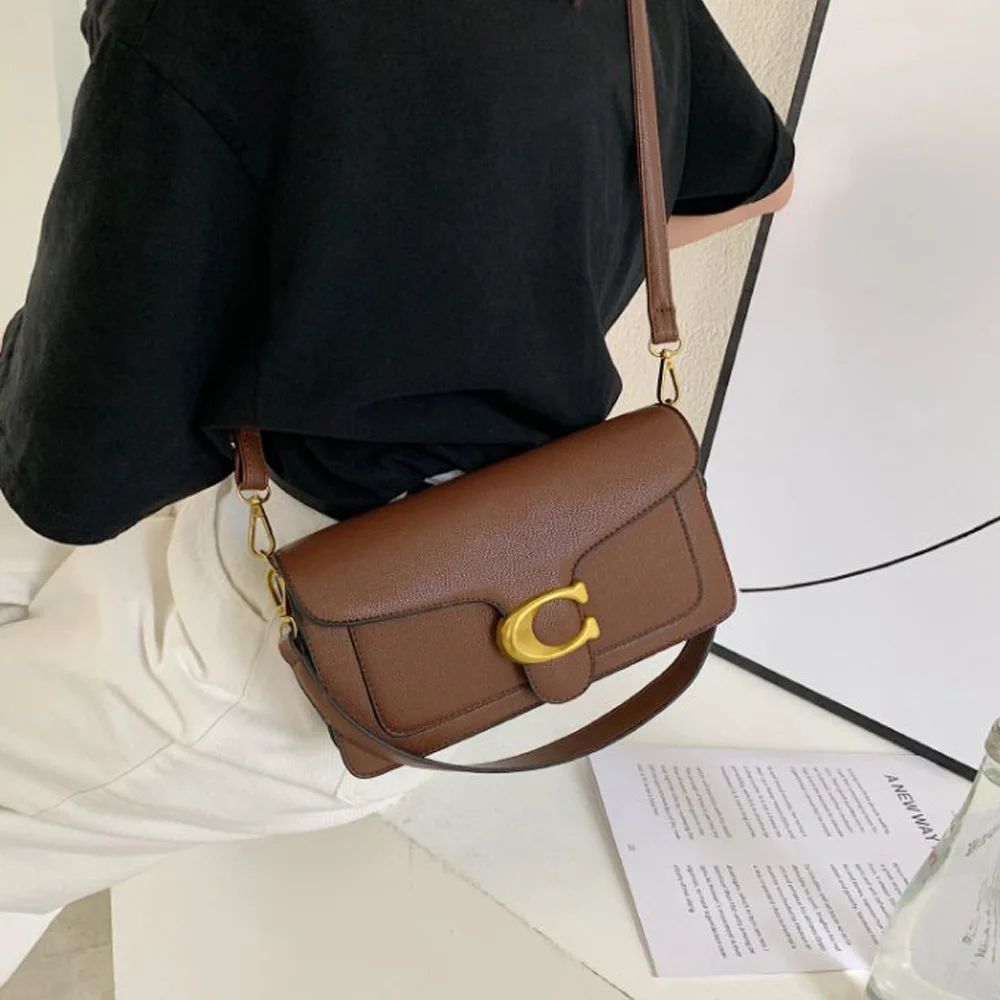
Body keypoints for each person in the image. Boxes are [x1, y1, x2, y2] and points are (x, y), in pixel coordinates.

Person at [0, 0, 794, 982]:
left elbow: (74, 481)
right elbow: (761, 178)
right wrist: (531, 292)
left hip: (298, 636)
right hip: (543, 557)